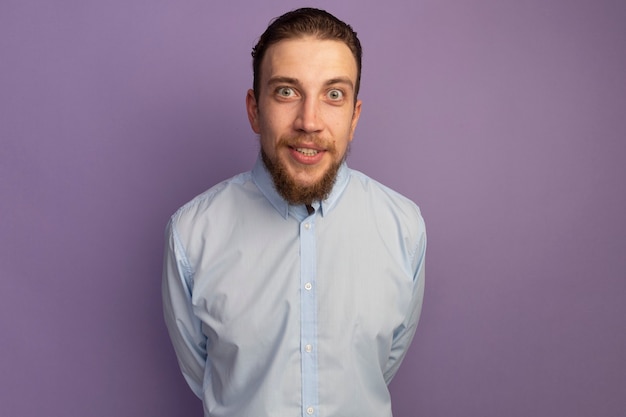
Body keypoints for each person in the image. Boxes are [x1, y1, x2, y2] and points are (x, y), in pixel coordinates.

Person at [162, 7, 426, 417]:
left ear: (354, 116)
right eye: (287, 91)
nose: (309, 121)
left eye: (333, 94)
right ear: (254, 109)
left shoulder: (404, 228)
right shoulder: (192, 234)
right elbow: (206, 374)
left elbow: (381, 366)